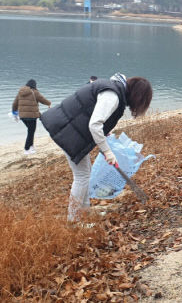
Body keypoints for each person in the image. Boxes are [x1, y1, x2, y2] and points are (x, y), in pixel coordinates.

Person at [41, 73, 152, 222]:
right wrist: (107, 151)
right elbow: (94, 125)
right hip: (66, 129)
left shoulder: (114, 88)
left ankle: (84, 213)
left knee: (85, 174)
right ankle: (74, 222)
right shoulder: (113, 96)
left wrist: (106, 133)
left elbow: (92, 112)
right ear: (137, 96)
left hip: (68, 126)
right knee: (82, 177)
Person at [12, 79, 51, 155]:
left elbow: (14, 103)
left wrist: (14, 112)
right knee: (31, 131)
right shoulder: (34, 92)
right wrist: (49, 103)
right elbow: (42, 100)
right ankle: (26, 149)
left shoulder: (20, 92)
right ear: (34, 85)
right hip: (32, 116)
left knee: (30, 131)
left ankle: (32, 146)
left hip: (22, 116)